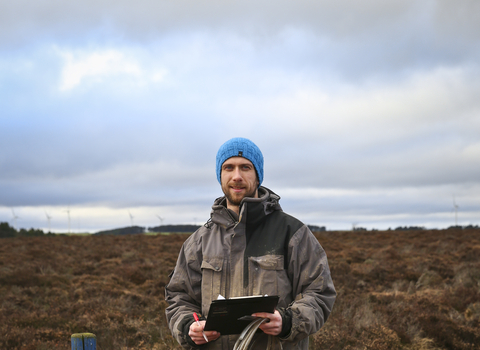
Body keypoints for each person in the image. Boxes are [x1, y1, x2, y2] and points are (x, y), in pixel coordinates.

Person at [165, 137, 336, 349]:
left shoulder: (293, 233)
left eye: (245, 167)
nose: (236, 176)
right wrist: (188, 327)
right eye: (229, 167)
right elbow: (179, 297)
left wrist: (289, 321)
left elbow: (319, 292)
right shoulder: (198, 241)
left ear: (258, 175)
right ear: (220, 175)